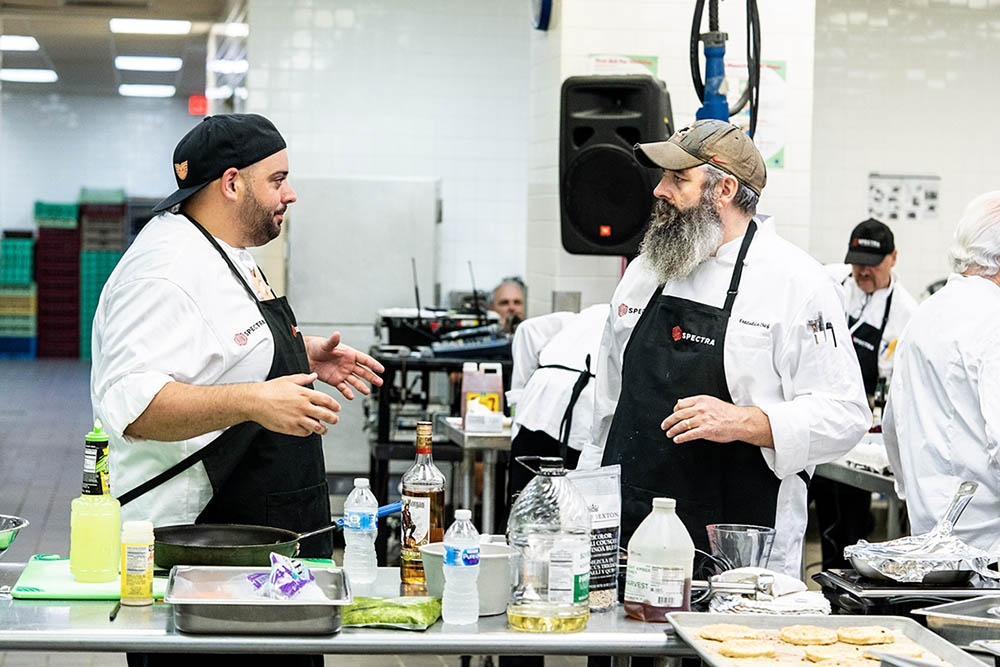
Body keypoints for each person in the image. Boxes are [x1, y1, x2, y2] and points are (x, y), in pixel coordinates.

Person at [91, 114, 383, 666]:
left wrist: (299, 355)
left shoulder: (223, 247)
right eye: (277, 179)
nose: (290, 194)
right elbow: (132, 406)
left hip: (259, 554)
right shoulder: (164, 270)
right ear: (231, 183)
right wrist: (254, 398)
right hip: (202, 548)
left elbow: (216, 346)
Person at [579, 119, 870, 579]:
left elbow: (846, 414)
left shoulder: (797, 283)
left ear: (725, 189)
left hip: (738, 541)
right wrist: (583, 512)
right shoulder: (645, 271)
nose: (659, 190)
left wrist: (746, 421)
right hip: (630, 531)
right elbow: (607, 413)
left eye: (678, 179)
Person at [884, 191, 1000, 555]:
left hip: (930, 537)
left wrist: (919, 494)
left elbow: (893, 426)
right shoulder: (994, 320)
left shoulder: (925, 313)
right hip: (990, 549)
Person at [813, 219, 919, 569]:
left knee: (853, 518)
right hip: (818, 411)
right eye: (857, 261)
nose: (863, 271)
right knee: (823, 508)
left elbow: (895, 386)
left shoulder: (906, 314)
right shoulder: (829, 283)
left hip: (861, 429)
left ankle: (847, 583)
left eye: (871, 264)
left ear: (893, 259)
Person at [505, 304, 608, 503]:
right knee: (573, 506)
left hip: (537, 403)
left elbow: (527, 329)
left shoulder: (592, 312)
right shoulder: (636, 320)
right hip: (585, 405)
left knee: (525, 502)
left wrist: (519, 397)